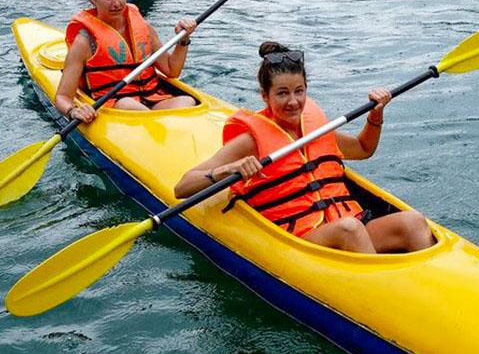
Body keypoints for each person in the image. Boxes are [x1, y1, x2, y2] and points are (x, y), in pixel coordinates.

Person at [174, 42, 434, 254]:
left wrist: (376, 115)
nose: (293, 102)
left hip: (347, 221)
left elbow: (363, 148)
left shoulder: (315, 129)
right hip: (302, 237)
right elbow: (182, 187)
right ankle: (385, 300)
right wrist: (225, 170)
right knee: (349, 229)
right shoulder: (250, 140)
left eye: (299, 91)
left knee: (413, 221)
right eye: (282, 93)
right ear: (265, 96)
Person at [54, 0, 197, 121]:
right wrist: (74, 111)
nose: (117, 3)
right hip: (117, 107)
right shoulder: (85, 42)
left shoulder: (143, 28)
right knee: (130, 104)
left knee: (187, 101)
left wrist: (183, 39)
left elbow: (172, 70)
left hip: (152, 100)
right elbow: (62, 97)